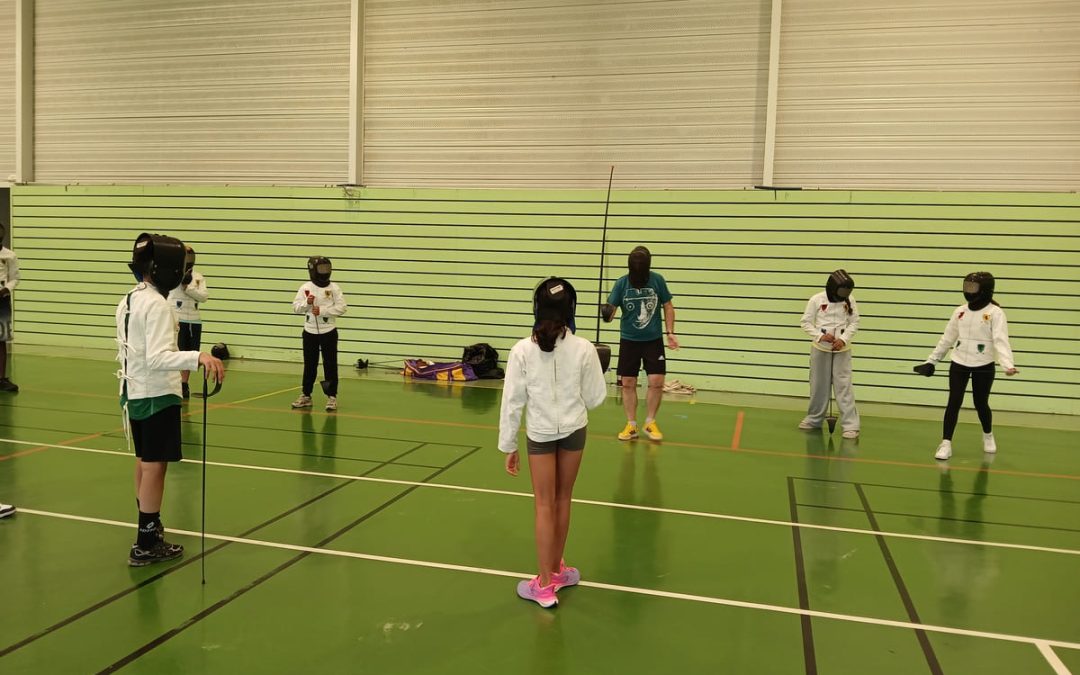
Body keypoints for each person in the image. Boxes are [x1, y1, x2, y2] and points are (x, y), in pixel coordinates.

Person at [116, 233, 224, 566]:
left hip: (134, 392)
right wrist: (198, 357)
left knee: (144, 461)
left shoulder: (130, 298)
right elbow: (158, 357)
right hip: (156, 394)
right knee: (154, 466)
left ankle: (149, 526)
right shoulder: (158, 305)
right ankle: (146, 542)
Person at [499, 278, 607, 608]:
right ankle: (555, 573)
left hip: (541, 434)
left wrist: (509, 445)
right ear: (571, 309)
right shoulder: (584, 348)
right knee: (563, 498)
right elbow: (596, 399)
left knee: (545, 504)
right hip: (575, 431)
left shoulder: (521, 350)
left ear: (536, 308)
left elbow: (512, 402)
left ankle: (546, 583)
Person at [915, 272, 1017, 460]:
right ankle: (946, 443)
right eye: (966, 287)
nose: (969, 291)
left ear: (985, 290)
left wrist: (1007, 365)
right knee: (954, 401)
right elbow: (947, 338)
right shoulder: (959, 311)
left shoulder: (995, 313)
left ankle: (988, 435)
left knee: (980, 403)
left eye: (973, 288)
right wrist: (931, 361)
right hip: (959, 362)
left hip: (983, 364)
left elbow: (1000, 340)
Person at [600, 246, 677, 441]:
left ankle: (650, 422)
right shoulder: (621, 283)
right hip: (629, 340)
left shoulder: (657, 280)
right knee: (628, 383)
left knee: (656, 381)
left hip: (653, 340)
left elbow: (668, 306)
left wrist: (670, 332)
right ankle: (631, 425)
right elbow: (611, 312)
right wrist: (607, 312)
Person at [798, 270, 861, 438]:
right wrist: (820, 336)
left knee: (844, 385)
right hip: (820, 348)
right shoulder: (816, 299)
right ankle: (814, 419)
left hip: (842, 350)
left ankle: (850, 425)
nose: (843, 295)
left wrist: (843, 339)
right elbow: (805, 322)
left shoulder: (850, 300)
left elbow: (854, 322)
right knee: (818, 385)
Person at [291, 256, 347, 411]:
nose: (324, 272)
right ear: (312, 270)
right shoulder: (305, 287)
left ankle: (332, 397)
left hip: (328, 331)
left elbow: (342, 307)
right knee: (310, 365)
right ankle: (306, 395)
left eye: (326, 268)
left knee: (330, 364)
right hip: (309, 332)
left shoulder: (334, 288)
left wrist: (323, 311)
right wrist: (306, 303)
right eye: (321, 269)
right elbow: (295, 308)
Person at [166, 245, 209, 399]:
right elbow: (168, 296)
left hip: (194, 320)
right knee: (176, 351)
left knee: (190, 353)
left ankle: (184, 384)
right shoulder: (172, 275)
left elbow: (203, 296)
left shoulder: (198, 277)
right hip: (178, 319)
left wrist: (188, 287)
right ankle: (174, 383)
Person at [0, 222, 20, 392]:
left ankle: (1, 378)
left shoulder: (9, 255)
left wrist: (6, 289)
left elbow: (15, 278)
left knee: (1, 339)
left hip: (2, 301)